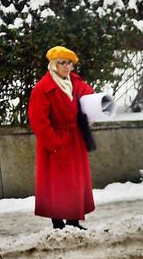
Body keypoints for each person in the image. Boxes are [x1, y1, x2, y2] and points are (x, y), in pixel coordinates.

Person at [27, 45, 95, 230]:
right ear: (53, 65)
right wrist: (55, 144)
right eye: (62, 63)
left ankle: (73, 222)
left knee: (74, 183)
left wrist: (95, 108)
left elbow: (89, 95)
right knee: (56, 185)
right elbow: (38, 121)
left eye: (70, 64)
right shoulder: (42, 89)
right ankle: (57, 223)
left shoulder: (75, 82)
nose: (67, 67)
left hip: (75, 140)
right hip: (56, 141)